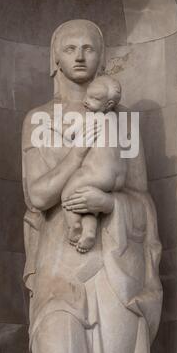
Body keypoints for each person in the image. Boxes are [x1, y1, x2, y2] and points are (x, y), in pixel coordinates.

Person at [22, 19, 162, 353]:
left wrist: (109, 204)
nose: (80, 57)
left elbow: (142, 201)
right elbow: (37, 197)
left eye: (88, 48)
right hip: (58, 267)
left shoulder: (123, 121)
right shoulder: (39, 120)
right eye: (70, 49)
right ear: (55, 58)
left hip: (116, 269)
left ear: (101, 57)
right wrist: (79, 152)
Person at [61, 75, 127, 254]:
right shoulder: (116, 120)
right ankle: (89, 231)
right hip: (118, 176)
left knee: (68, 195)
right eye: (88, 96)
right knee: (88, 207)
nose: (86, 101)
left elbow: (69, 135)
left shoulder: (91, 119)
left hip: (97, 172)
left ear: (108, 104)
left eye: (94, 98)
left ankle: (74, 226)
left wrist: (58, 129)